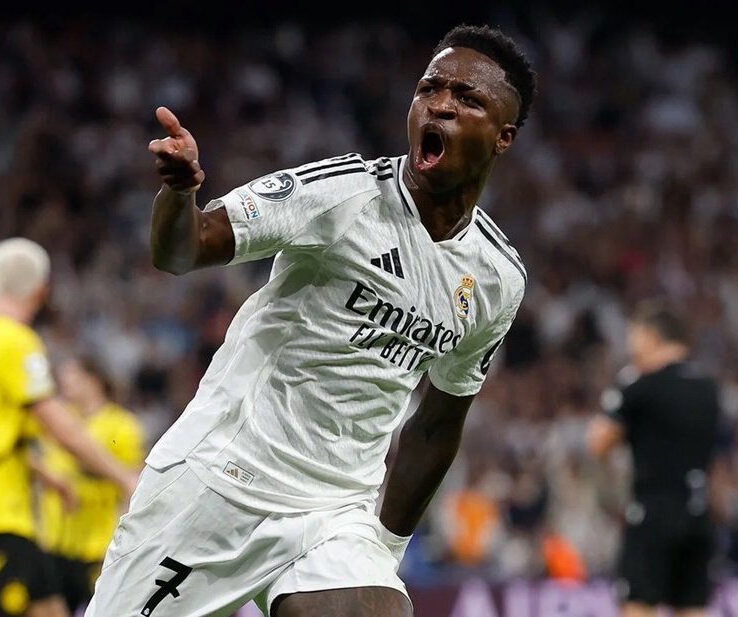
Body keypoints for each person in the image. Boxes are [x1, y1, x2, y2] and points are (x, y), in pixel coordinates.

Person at [85, 24, 535, 617]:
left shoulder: (496, 277)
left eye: (466, 98)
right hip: (220, 481)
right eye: (430, 88)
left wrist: (384, 546)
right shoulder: (343, 195)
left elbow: (437, 423)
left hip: (334, 512)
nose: (441, 105)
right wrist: (179, 194)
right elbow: (182, 251)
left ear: (503, 137)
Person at [0, 238, 140, 617]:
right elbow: (59, 424)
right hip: (0, 513)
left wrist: (45, 474)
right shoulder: (16, 341)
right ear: (42, 291)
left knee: (50, 609)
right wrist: (123, 476)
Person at [587, 301, 722, 617]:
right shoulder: (709, 388)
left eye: (634, 336)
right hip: (698, 515)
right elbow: (716, 460)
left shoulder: (639, 384)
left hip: (652, 514)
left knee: (639, 606)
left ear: (651, 336)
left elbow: (599, 442)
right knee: (693, 608)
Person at [38, 356, 145, 614]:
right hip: (56, 542)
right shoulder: (58, 424)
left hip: (98, 546)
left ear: (94, 381)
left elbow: (133, 486)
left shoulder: (122, 425)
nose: (64, 384)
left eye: (72, 377)